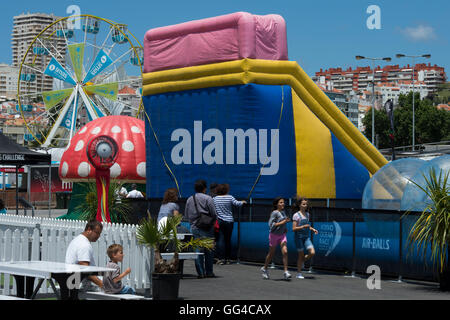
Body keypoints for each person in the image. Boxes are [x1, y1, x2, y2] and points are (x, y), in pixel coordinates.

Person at [185, 179, 217, 278]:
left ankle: (200, 272)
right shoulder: (208, 198)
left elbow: (186, 215)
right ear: (204, 188)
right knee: (209, 250)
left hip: (194, 227)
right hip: (207, 227)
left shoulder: (190, 199)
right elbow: (214, 213)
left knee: (197, 250)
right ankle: (209, 272)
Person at [65, 220, 104, 293]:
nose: (98, 236)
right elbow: (85, 271)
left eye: (99, 233)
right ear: (89, 230)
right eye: (97, 233)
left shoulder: (77, 240)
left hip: (73, 280)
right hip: (82, 283)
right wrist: (102, 285)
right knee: (123, 289)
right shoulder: (84, 245)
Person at [213, 184, 246, 265]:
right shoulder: (230, 197)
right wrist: (243, 202)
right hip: (229, 221)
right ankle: (228, 258)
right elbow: (237, 204)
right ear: (226, 190)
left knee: (220, 239)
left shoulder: (215, 198)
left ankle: (220, 258)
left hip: (220, 220)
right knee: (228, 240)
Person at [260, 197, 291, 280]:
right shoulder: (274, 213)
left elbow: (283, 223)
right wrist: (283, 222)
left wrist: (285, 227)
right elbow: (271, 224)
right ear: (276, 204)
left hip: (282, 235)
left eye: (283, 202)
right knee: (271, 254)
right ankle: (265, 268)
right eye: (281, 202)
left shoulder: (283, 212)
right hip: (274, 235)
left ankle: (285, 271)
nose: (283, 204)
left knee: (285, 251)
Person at [292, 197, 318, 279]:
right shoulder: (296, 215)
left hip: (306, 237)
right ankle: (299, 273)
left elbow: (308, 226)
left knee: (312, 252)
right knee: (300, 255)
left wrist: (313, 229)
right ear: (299, 205)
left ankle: (302, 261)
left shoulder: (307, 214)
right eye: (303, 204)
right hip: (298, 238)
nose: (305, 205)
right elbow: (293, 228)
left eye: (306, 204)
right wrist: (303, 226)